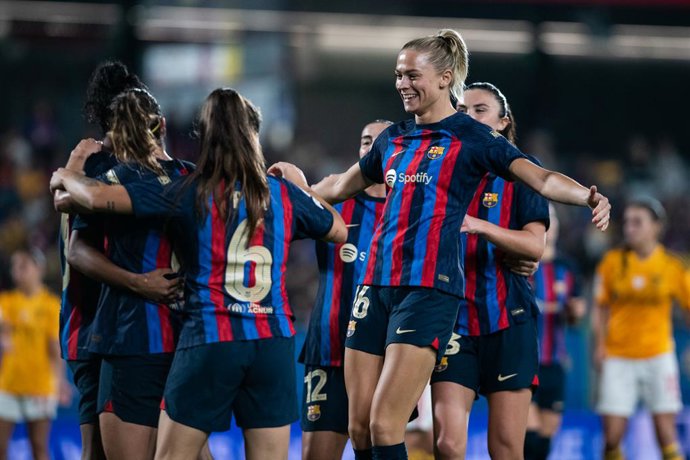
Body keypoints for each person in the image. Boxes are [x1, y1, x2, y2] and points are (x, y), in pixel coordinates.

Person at [273, 29, 610, 460]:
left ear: (445, 77)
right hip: (373, 286)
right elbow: (339, 185)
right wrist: (295, 188)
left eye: (412, 75)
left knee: (384, 423)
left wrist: (588, 195)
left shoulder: (472, 137)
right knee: (359, 427)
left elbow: (540, 178)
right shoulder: (392, 139)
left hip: (429, 290)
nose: (402, 84)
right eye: (398, 75)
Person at [51, 87, 347, 460]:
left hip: (211, 337)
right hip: (272, 339)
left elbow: (92, 198)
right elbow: (337, 227)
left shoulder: (187, 191)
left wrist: (68, 170)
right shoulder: (281, 193)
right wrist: (300, 185)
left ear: (203, 136)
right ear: (253, 132)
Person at [56, 61, 180, 460]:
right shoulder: (101, 169)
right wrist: (139, 282)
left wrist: (69, 169)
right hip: (98, 324)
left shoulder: (93, 166)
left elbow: (61, 196)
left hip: (140, 328)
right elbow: (77, 249)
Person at [430, 82, 549, 460]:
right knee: (447, 445)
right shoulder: (439, 170)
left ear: (503, 122)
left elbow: (534, 246)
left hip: (508, 320)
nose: (470, 117)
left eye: (480, 110)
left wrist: (481, 226)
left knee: (506, 448)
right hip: (453, 321)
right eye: (462, 111)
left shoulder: (523, 173)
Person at [299, 120, 389, 460]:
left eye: (379, 141)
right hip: (329, 346)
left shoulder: (410, 209)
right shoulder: (334, 199)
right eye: (365, 141)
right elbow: (285, 207)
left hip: (385, 353)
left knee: (381, 444)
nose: (370, 148)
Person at [593, 197, 687, 460]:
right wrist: (599, 345)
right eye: (627, 222)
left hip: (659, 356)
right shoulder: (611, 263)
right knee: (611, 438)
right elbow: (599, 307)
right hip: (618, 357)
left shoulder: (672, 267)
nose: (629, 228)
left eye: (637, 222)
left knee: (666, 435)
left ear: (657, 227)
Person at [524, 204, 585, 460]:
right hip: (523, 362)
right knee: (531, 437)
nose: (551, 225)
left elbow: (577, 317)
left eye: (554, 220)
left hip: (555, 363)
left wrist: (574, 311)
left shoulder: (567, 267)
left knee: (545, 440)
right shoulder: (521, 261)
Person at [0, 249, 69, 460]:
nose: (17, 272)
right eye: (14, 267)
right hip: (8, 382)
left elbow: (54, 349)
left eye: (23, 266)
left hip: (40, 385)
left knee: (39, 446)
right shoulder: (6, 302)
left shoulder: (50, 305)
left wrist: (59, 383)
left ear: (39, 268)